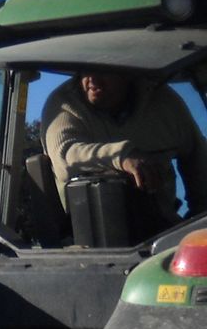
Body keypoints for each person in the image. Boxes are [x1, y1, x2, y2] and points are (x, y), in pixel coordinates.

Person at [40, 70, 207, 230]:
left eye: (102, 69)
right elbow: (65, 156)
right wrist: (121, 156)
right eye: (84, 70)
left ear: (126, 72)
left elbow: (198, 159)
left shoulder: (163, 102)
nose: (91, 78)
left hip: (164, 232)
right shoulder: (64, 104)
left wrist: (198, 219)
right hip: (84, 243)